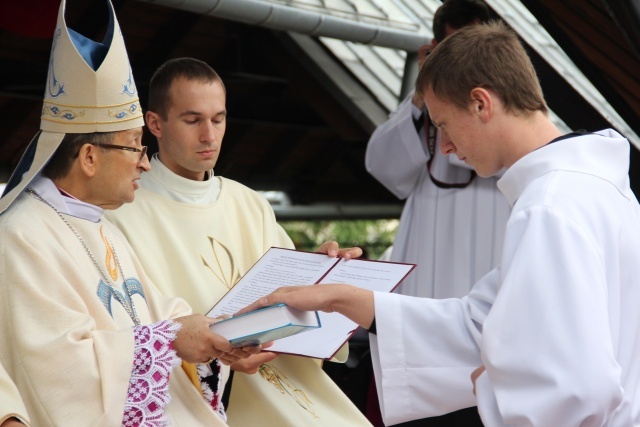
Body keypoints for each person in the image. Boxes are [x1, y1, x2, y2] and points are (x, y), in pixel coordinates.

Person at [240, 21, 640, 426]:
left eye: (444, 124)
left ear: (482, 103)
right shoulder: (594, 189)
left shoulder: (550, 205)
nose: (444, 146)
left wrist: (493, 386)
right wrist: (339, 298)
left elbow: (575, 388)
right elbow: (476, 325)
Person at [0, 1, 260, 425]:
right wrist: (171, 340)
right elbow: (54, 371)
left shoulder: (101, 227)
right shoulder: (21, 235)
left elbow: (159, 312)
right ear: (88, 157)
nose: (144, 161)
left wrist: (215, 336)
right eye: (134, 146)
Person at [105, 57, 372, 426]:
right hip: (194, 402)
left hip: (287, 386)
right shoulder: (119, 213)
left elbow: (292, 308)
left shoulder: (250, 203)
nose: (209, 136)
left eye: (219, 119)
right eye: (192, 120)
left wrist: (321, 278)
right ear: (155, 124)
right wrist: (221, 352)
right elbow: (125, 338)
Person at [366, 0, 511, 300]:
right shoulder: (421, 105)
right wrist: (424, 93)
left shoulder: (511, 103)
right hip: (429, 234)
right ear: (436, 48)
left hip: (494, 234)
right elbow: (381, 165)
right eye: (457, 47)